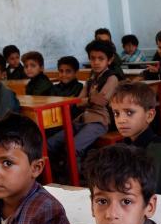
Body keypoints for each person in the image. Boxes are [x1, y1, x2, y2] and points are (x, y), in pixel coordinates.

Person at [47, 40, 119, 169]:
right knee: (51, 143)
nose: (96, 62)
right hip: (83, 119)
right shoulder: (91, 79)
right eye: (92, 58)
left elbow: (100, 102)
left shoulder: (111, 78)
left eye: (100, 58)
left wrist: (87, 100)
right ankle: (58, 173)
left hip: (99, 121)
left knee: (73, 148)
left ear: (110, 60)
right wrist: (90, 100)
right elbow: (78, 102)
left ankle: (79, 176)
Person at [110, 81, 161, 194]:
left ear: (149, 115)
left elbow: (151, 192)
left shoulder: (157, 151)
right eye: (116, 113)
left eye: (129, 112)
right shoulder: (123, 146)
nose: (121, 120)